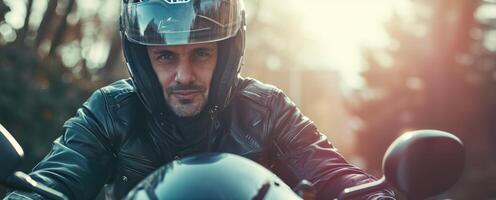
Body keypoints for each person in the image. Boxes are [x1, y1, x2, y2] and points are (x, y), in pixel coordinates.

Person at [5, 0, 395, 199]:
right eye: (166, 56)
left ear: (225, 55)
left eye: (201, 54)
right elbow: (52, 182)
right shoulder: (110, 111)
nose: (184, 75)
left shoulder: (267, 109)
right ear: (143, 59)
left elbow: (336, 176)